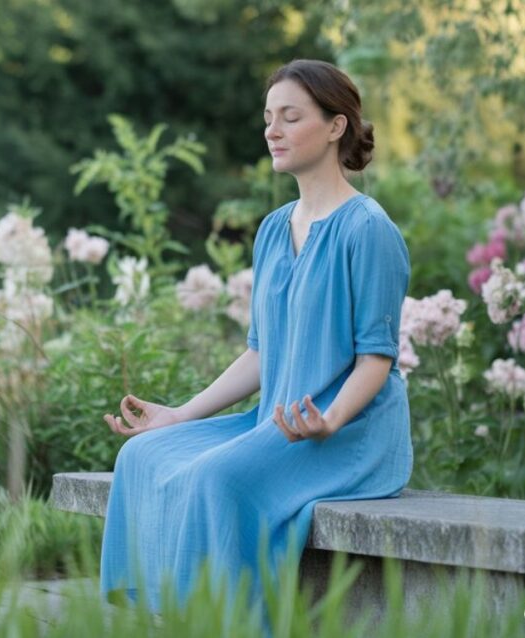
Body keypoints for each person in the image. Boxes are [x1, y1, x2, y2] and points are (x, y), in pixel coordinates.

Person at [98, 58, 412, 631]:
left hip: (348, 434)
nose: (273, 130)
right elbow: (262, 352)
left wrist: (331, 419)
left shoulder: (368, 229)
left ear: (336, 126)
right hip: (276, 420)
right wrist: (179, 415)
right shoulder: (272, 230)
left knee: (218, 478)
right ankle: (179, 617)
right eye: (269, 118)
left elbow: (377, 358)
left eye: (290, 117)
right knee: (142, 454)